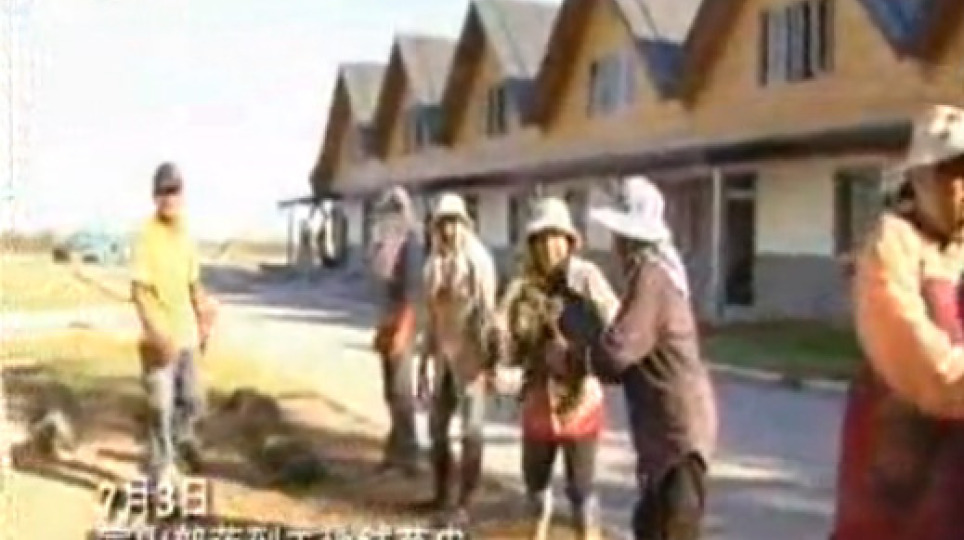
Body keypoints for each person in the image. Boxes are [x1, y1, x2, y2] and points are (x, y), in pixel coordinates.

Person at [829, 104, 964, 540]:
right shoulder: (892, 245)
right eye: (952, 173)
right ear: (920, 179)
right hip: (899, 472)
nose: (963, 187)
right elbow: (915, 356)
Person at [575, 176, 718, 540]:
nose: (614, 244)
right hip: (670, 436)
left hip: (676, 438)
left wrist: (576, 356)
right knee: (649, 525)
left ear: (628, 238)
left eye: (617, 236)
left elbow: (615, 355)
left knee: (671, 526)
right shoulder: (655, 274)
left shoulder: (651, 278)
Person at [495, 197, 618, 540]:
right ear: (532, 243)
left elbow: (616, 329)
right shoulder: (522, 287)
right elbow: (505, 342)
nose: (550, 246)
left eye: (556, 236)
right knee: (535, 487)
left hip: (580, 403)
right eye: (542, 238)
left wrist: (580, 353)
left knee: (582, 491)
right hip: (537, 400)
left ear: (569, 240)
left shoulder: (587, 278)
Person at [131, 162, 216, 492]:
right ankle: (161, 469)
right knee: (160, 407)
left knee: (194, 402)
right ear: (155, 196)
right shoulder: (146, 236)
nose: (170, 197)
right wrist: (157, 334)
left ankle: (177, 450)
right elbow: (139, 292)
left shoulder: (186, 235)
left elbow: (194, 284)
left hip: (187, 337)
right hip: (159, 341)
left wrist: (205, 311)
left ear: (182, 194)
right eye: (164, 191)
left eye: (174, 190)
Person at [418, 192, 498, 527]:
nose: (449, 230)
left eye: (454, 222)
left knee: (472, 431)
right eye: (443, 223)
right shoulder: (433, 264)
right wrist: (423, 364)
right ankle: (442, 494)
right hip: (443, 359)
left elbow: (488, 316)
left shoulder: (479, 262)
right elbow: (430, 318)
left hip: (471, 359)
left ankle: (467, 502)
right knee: (436, 428)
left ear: (464, 224)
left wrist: (490, 363)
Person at [367, 186, 423, 477]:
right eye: (386, 211)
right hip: (387, 322)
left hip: (404, 324)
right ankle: (394, 451)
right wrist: (381, 328)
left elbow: (412, 295)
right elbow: (381, 290)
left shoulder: (410, 245)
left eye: (394, 211)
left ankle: (408, 457)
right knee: (390, 392)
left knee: (401, 393)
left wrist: (401, 332)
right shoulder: (384, 245)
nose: (390, 217)